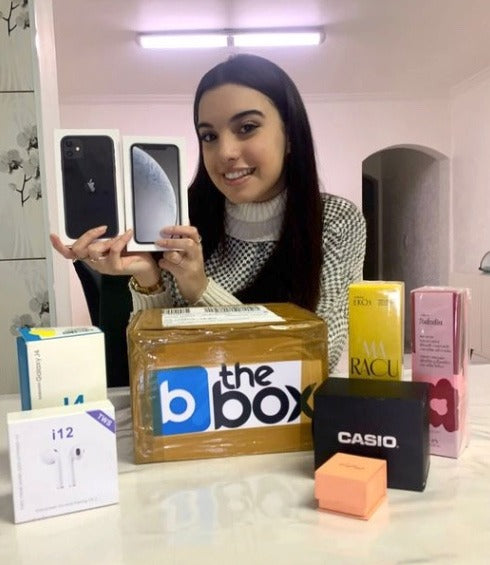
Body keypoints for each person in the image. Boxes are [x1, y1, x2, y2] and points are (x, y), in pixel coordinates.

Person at [50, 54, 366, 373]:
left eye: (247, 128)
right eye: (209, 136)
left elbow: (317, 356)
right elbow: (160, 363)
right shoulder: (181, 219)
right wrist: (149, 280)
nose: (225, 152)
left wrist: (200, 289)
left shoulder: (335, 220)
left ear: (290, 136)